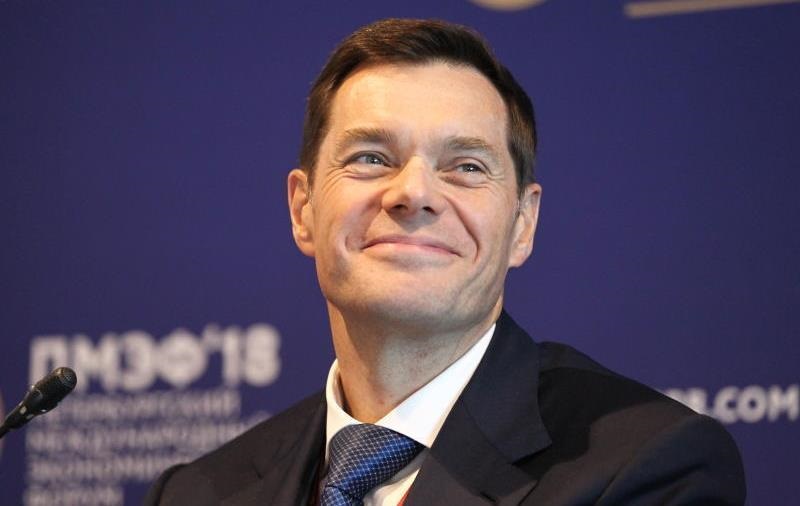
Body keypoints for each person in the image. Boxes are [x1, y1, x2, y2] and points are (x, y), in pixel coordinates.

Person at [145, 18, 745, 505]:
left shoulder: (647, 465)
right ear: (303, 209)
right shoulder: (194, 494)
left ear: (523, 224)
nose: (414, 193)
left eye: (466, 166)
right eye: (372, 157)